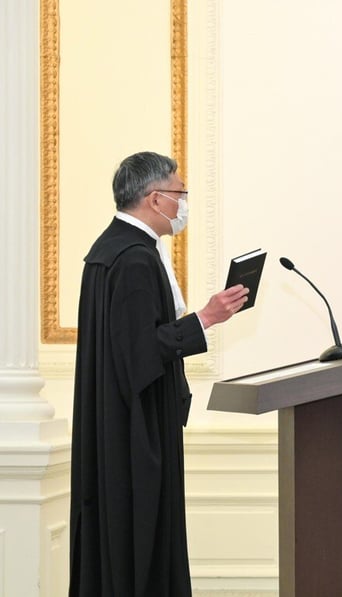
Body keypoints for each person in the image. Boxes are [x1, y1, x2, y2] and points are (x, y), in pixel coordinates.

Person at [69, 151, 249, 596]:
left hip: (118, 422)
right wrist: (204, 318)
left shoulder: (114, 249)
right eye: (180, 193)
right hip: (136, 429)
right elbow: (139, 354)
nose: (183, 203)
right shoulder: (133, 258)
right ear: (155, 199)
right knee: (140, 532)